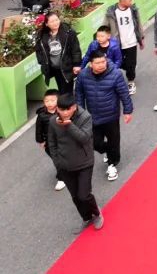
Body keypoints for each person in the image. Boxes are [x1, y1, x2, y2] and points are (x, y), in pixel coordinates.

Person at [74, 48, 133, 182]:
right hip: (92, 117)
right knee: (94, 143)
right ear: (90, 64)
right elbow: (79, 96)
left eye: (103, 62)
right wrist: (80, 114)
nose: (101, 65)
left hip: (111, 115)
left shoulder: (116, 74)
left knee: (114, 140)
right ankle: (109, 150)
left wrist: (127, 111)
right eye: (98, 63)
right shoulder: (83, 76)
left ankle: (112, 164)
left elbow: (124, 93)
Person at [48, 94, 103, 229]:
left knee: (84, 195)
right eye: (62, 109)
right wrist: (57, 162)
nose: (65, 112)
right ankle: (86, 217)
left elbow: (84, 138)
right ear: (57, 109)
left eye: (68, 109)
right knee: (75, 197)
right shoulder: (53, 121)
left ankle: (96, 213)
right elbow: (52, 143)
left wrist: (69, 125)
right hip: (65, 166)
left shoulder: (85, 117)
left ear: (74, 107)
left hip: (85, 163)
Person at [34, 12, 81, 95]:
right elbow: (38, 50)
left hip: (67, 66)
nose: (55, 23)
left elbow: (75, 49)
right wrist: (42, 61)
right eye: (52, 21)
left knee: (67, 91)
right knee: (61, 89)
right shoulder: (42, 35)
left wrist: (76, 64)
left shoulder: (69, 32)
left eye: (56, 20)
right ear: (46, 24)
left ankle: (68, 102)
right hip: (54, 68)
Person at [36, 89, 65, 191]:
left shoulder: (63, 111)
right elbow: (38, 129)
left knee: (65, 158)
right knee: (57, 160)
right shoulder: (41, 115)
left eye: (52, 100)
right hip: (50, 143)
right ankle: (61, 178)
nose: (49, 103)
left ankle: (67, 172)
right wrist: (41, 141)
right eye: (47, 101)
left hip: (64, 140)